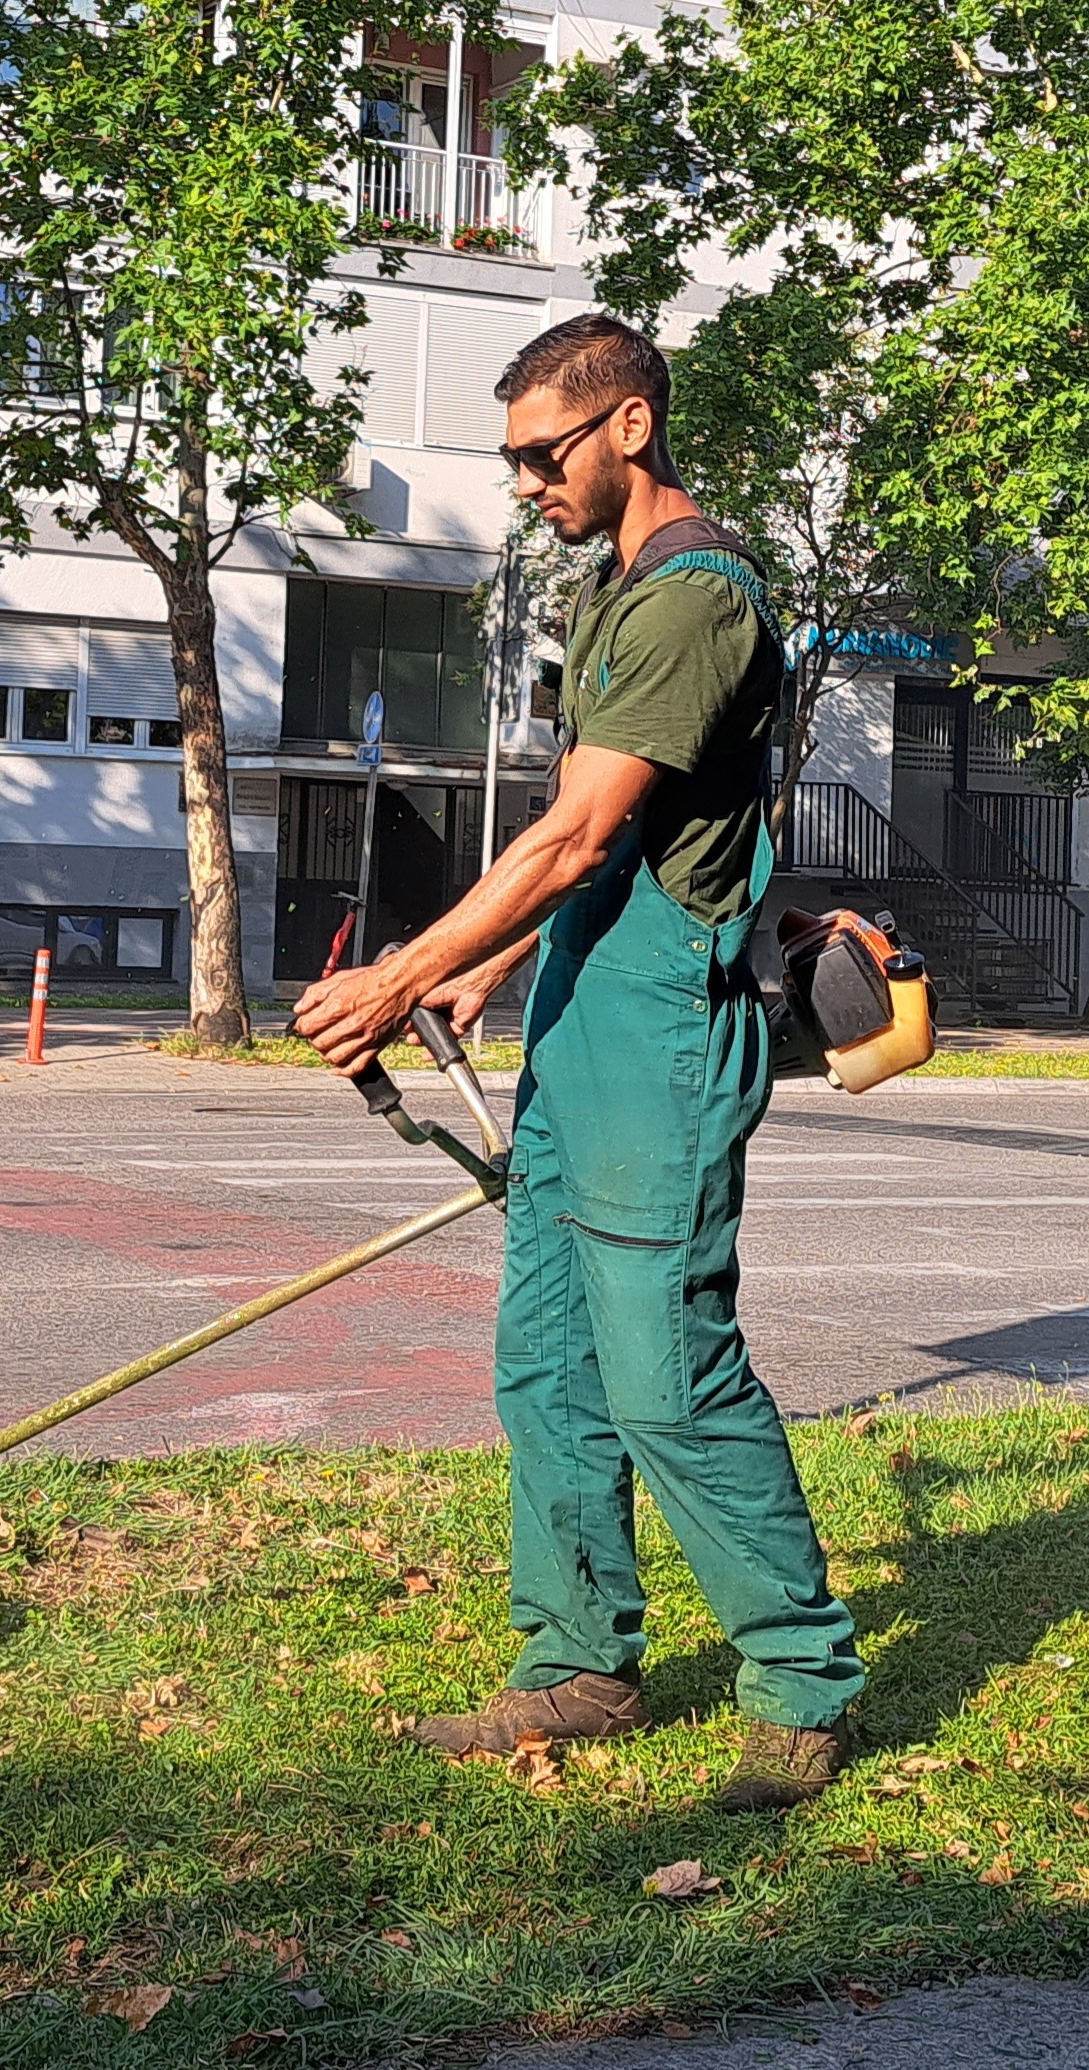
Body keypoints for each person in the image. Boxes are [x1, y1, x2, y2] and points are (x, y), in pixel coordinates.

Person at [294, 312, 865, 1807]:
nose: (527, 481)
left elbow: (576, 833)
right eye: (515, 460)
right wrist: (491, 963)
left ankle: (801, 1683)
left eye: (544, 453)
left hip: (664, 1029)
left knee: (667, 1375)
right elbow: (597, 845)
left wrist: (396, 973)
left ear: (630, 425)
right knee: (549, 1368)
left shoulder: (696, 598)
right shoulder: (610, 587)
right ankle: (578, 1666)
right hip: (579, 1012)